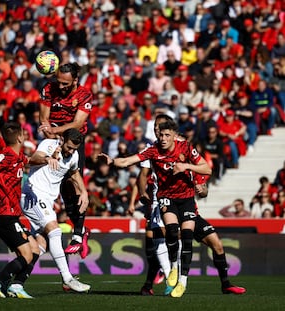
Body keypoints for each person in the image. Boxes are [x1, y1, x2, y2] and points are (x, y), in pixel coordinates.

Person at [100, 116, 212, 298]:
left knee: (188, 237)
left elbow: (206, 169)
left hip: (187, 198)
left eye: (167, 135)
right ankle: (174, 268)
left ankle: (183, 281)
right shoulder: (153, 151)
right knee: (172, 230)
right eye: (161, 135)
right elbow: (129, 161)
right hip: (166, 197)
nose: (164, 139)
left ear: (174, 135)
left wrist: (185, 166)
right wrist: (113, 161)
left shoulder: (186, 148)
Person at [22, 128, 91, 293]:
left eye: (75, 148)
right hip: (32, 194)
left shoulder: (74, 156)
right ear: (62, 140)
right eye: (69, 147)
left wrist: (84, 192)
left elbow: (74, 173)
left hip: (47, 201)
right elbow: (32, 159)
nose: (71, 151)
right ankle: (67, 278)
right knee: (55, 231)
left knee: (39, 247)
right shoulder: (49, 145)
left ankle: (9, 281)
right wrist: (48, 158)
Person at [0, 121, 41, 299]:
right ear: (21, 136)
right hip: (3, 215)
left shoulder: (19, 156)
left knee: (35, 250)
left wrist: (48, 159)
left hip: (12, 215)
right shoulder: (5, 155)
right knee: (27, 254)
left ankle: (17, 285)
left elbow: (31, 160)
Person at [38, 62, 92, 258]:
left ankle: (78, 235)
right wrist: (50, 135)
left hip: (75, 141)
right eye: (58, 82)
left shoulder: (84, 95)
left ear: (75, 80)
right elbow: (43, 117)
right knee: (63, 190)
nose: (60, 87)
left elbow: (78, 124)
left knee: (75, 182)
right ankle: (82, 229)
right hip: (53, 139)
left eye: (65, 84)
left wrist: (56, 131)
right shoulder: (48, 89)